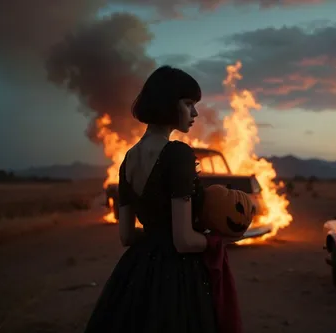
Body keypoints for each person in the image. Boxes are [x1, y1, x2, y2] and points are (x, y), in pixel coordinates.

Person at [83, 66, 240, 333]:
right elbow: (183, 240)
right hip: (178, 278)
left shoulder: (127, 160)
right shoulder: (177, 153)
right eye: (188, 104)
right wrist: (221, 239)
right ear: (169, 103)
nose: (195, 113)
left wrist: (156, 236)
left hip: (136, 272)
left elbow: (126, 236)